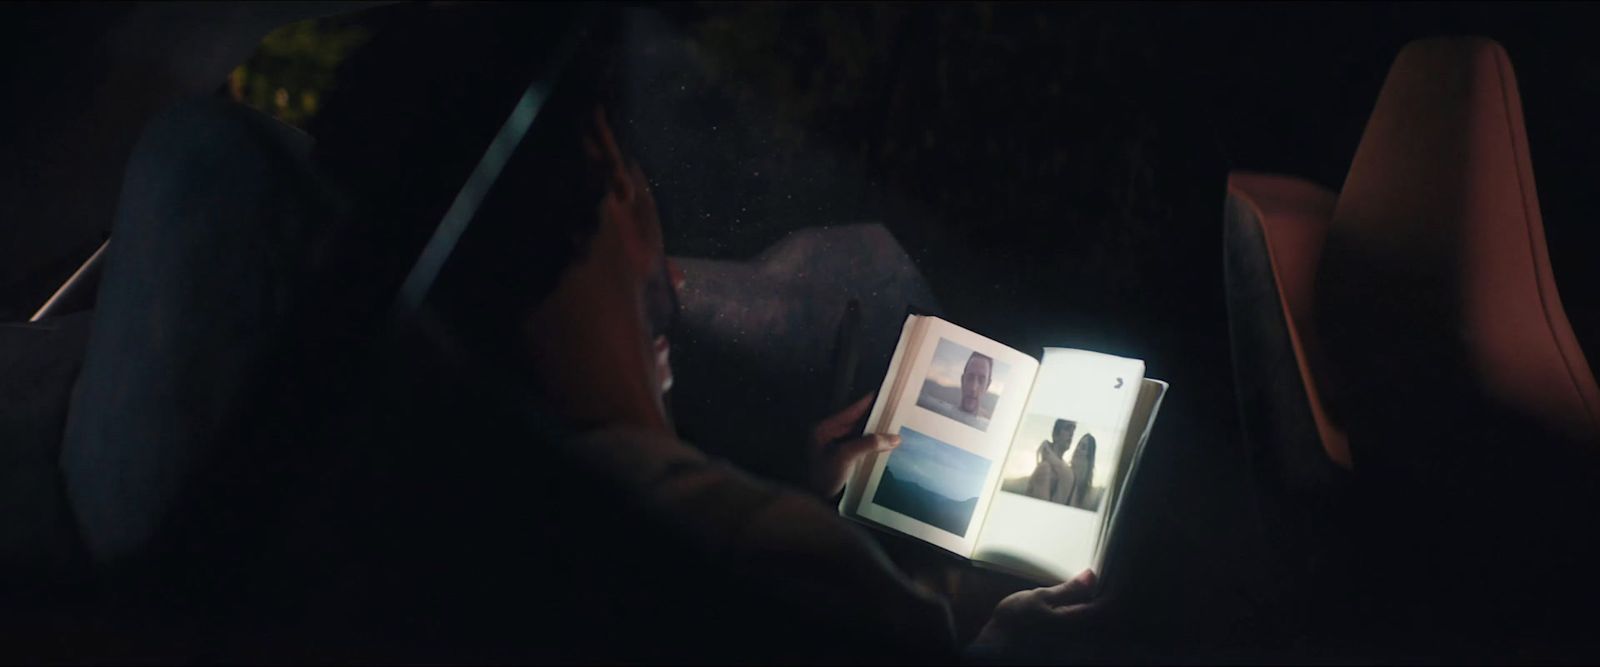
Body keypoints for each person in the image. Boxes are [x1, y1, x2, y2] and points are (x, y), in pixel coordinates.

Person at [1027, 419, 1077, 503]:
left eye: (1073, 431)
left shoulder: (1063, 468)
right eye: (1067, 429)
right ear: (1055, 435)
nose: (1071, 434)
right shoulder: (1045, 468)